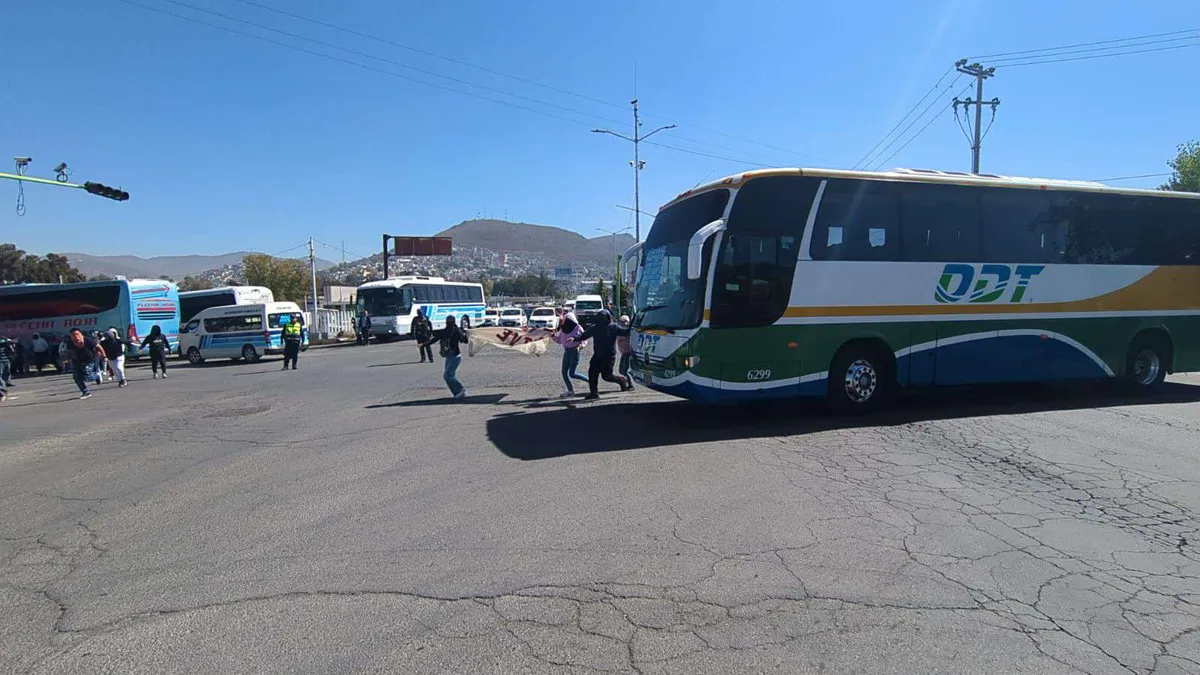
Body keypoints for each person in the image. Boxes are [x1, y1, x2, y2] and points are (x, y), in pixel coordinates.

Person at [576, 309, 631, 400]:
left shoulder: (614, 327)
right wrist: (574, 338)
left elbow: (625, 332)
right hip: (597, 355)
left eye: (603, 318)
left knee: (607, 376)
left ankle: (621, 380)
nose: (602, 320)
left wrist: (632, 326)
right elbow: (583, 335)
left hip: (609, 356)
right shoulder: (595, 328)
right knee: (592, 374)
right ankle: (594, 393)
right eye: (600, 318)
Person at [424, 314, 469, 399]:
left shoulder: (447, 331)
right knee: (448, 375)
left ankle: (460, 390)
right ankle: (457, 393)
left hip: (454, 357)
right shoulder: (457, 331)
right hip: (451, 356)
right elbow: (465, 341)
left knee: (448, 376)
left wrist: (424, 344)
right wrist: (466, 333)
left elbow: (435, 339)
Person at [551, 311, 589, 398]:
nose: (566, 322)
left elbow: (584, 339)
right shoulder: (563, 329)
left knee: (572, 373)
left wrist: (580, 346)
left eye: (568, 320)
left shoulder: (578, 328)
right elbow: (560, 340)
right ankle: (570, 391)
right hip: (567, 351)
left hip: (575, 351)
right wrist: (553, 336)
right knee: (564, 372)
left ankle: (591, 382)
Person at [63, 328, 106, 400]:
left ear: (81, 334)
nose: (75, 336)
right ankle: (86, 392)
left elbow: (98, 347)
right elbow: (69, 352)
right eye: (73, 335)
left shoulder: (88, 340)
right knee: (76, 377)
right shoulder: (69, 342)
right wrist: (66, 359)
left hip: (89, 360)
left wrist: (104, 355)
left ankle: (97, 376)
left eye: (77, 334)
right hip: (77, 361)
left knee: (86, 375)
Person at [616, 314, 634, 391]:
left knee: (624, 370)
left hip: (627, 352)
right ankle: (626, 382)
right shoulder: (621, 329)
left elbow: (620, 337)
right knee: (621, 370)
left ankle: (630, 385)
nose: (621, 323)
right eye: (620, 321)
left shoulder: (627, 330)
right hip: (623, 352)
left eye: (623, 321)